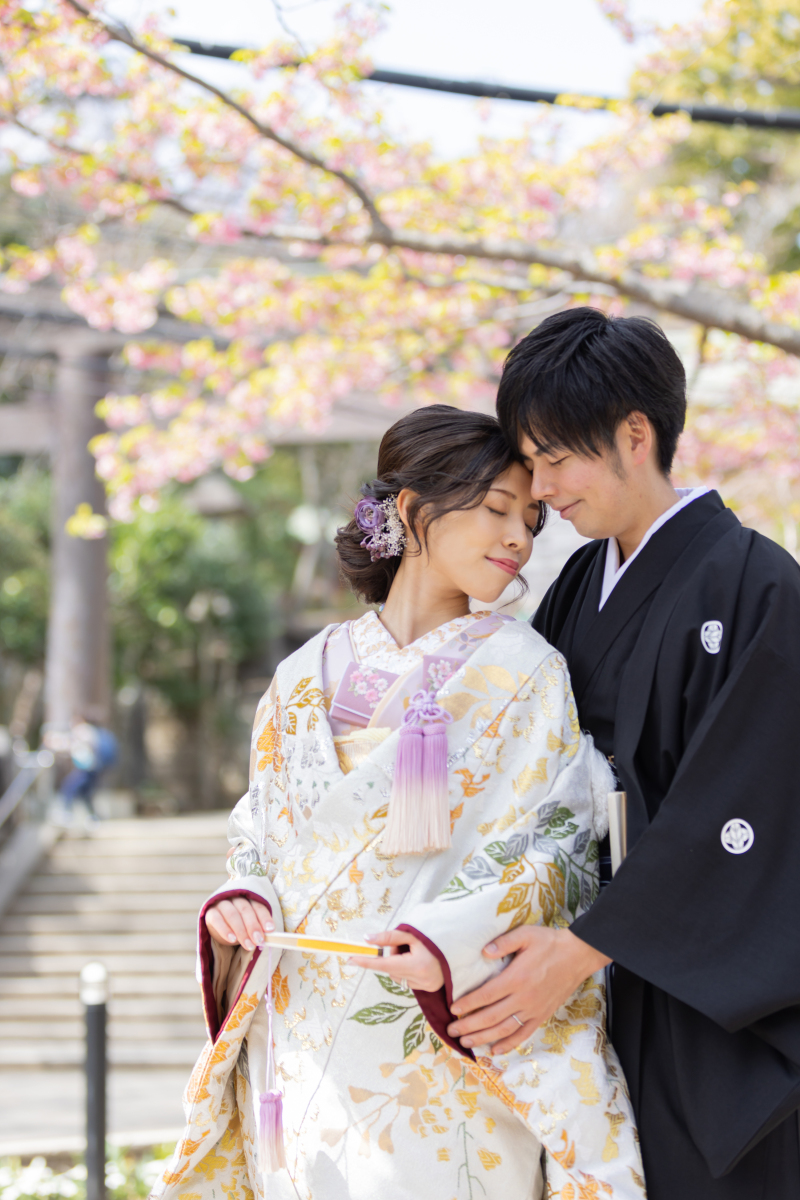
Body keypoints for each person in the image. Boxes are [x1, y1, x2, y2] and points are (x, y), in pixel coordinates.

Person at [153, 406, 645, 1200]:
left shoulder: (525, 670)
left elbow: (555, 840)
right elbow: (259, 833)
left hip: (438, 1020)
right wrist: (242, 898)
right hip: (303, 1034)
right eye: (497, 510)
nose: (519, 539)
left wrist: (450, 939)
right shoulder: (300, 674)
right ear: (413, 510)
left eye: (530, 521)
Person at [444, 306, 800, 1199]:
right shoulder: (575, 585)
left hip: (701, 1010)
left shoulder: (759, 586)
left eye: (555, 458)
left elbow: (745, 808)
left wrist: (584, 947)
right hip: (582, 998)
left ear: (634, 436)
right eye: (530, 463)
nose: (542, 489)